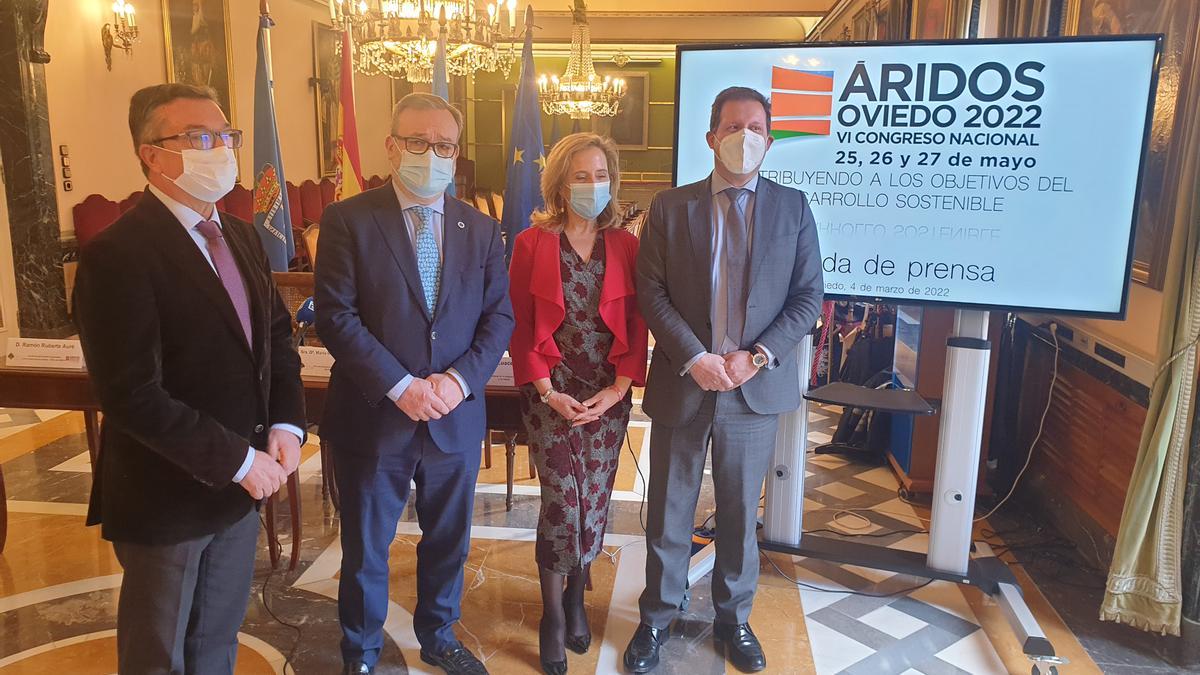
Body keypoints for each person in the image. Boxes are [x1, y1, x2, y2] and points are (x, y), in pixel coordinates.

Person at [73, 83, 305, 675]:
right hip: (167, 496)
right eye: (199, 137)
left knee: (215, 643)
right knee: (160, 655)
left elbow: (276, 337)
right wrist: (238, 460)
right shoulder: (118, 253)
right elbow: (131, 394)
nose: (220, 149)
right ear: (151, 153)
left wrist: (285, 423)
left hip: (237, 489)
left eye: (225, 136)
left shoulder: (243, 234)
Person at [625, 86, 824, 674]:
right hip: (686, 382)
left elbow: (808, 297)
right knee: (668, 509)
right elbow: (651, 292)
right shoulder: (671, 207)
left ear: (771, 137)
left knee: (739, 514)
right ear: (711, 137)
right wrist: (695, 356)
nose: (746, 138)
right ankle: (656, 618)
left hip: (753, 388)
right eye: (734, 127)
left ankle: (733, 619)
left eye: (757, 127)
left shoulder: (793, 208)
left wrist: (755, 356)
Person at [315, 92, 514, 675]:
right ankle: (362, 653)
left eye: (444, 145)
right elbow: (335, 315)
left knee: (448, 541)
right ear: (391, 146)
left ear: (457, 154)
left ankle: (438, 634)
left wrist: (457, 382)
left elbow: (498, 316)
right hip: (375, 416)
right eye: (418, 142)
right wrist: (401, 385)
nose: (432, 153)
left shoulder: (480, 228)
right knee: (366, 550)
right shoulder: (349, 218)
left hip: (454, 415)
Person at [508, 133, 648, 675]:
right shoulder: (530, 243)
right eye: (581, 176)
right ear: (560, 185)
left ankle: (576, 599)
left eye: (601, 175)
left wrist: (616, 390)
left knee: (595, 499)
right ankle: (551, 612)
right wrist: (547, 390)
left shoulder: (627, 246)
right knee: (562, 501)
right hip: (551, 393)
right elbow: (520, 326)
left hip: (607, 394)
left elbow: (637, 327)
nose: (593, 185)